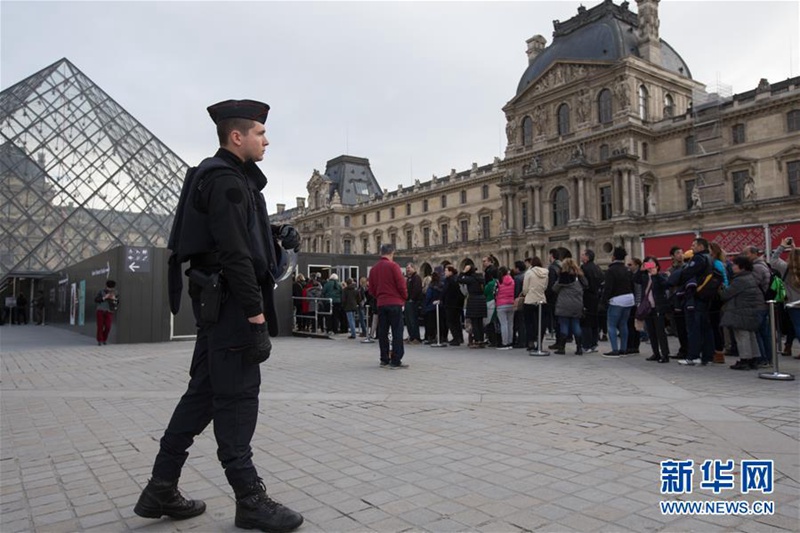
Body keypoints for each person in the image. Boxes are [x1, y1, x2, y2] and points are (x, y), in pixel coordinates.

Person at [135, 99, 304, 532]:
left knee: (202, 399)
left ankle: (160, 487)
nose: (266, 140)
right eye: (260, 133)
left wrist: (273, 233)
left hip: (218, 306)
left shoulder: (221, 179)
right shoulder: (228, 181)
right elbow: (234, 253)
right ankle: (250, 500)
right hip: (232, 309)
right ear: (237, 136)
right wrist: (256, 318)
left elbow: (232, 235)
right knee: (237, 401)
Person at [723, 256, 768, 370]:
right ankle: (754, 358)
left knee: (742, 335)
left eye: (734, 264)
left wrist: (722, 288)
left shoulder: (740, 280)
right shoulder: (750, 276)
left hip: (741, 310)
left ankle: (745, 359)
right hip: (750, 309)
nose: (732, 267)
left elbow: (726, 294)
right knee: (750, 335)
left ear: (741, 267)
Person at [369, 244, 408, 367]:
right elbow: (401, 284)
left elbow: (371, 289)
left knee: (383, 332)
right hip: (395, 302)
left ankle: (384, 358)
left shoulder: (374, 269)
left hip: (381, 303)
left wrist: (379, 296)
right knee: (397, 331)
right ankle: (396, 359)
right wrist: (404, 296)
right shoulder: (393, 266)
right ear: (392, 253)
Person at [678, 238, 715, 366]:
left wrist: (682, 273)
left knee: (694, 327)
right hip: (705, 296)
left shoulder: (698, 258)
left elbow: (687, 273)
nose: (691, 247)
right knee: (705, 328)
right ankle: (708, 356)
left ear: (700, 246)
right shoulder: (709, 258)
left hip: (696, 296)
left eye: (693, 245)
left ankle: (693, 356)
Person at [741, 245, 773, 367]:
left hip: (757, 304)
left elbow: (751, 284)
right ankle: (768, 358)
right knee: (764, 333)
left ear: (754, 254)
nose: (745, 256)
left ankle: (763, 358)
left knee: (758, 332)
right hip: (762, 303)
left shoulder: (756, 268)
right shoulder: (762, 265)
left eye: (746, 253)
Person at [602, 247, 635, 357]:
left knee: (611, 325)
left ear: (614, 257)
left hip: (617, 299)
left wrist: (603, 300)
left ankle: (615, 349)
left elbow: (608, 288)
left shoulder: (611, 270)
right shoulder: (627, 269)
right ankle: (623, 349)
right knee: (623, 323)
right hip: (629, 298)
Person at [770, 237, 800, 359]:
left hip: (793, 302)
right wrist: (794, 248)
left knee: (797, 326)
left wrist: (782, 246)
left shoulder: (786, 268)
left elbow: (773, 260)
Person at [553, 258, 587, 355]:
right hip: (577, 304)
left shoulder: (563, 277)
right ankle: (579, 347)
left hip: (564, 304)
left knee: (564, 325)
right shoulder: (580, 277)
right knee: (576, 324)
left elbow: (555, 288)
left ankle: (562, 348)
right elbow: (586, 285)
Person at [640, 257, 671, 363]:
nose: (649, 266)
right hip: (648, 308)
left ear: (657, 266)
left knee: (660, 332)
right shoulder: (644, 277)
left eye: (651, 264)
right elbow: (634, 279)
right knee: (651, 332)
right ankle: (656, 353)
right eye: (647, 264)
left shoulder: (660, 276)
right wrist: (641, 270)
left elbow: (666, 285)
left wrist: (655, 275)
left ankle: (665, 354)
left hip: (658, 307)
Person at [522, 256, 549, 352]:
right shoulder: (546, 273)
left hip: (530, 300)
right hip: (542, 299)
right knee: (541, 323)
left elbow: (525, 288)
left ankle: (531, 342)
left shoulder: (529, 273)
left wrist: (526, 293)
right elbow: (545, 286)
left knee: (529, 323)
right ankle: (540, 342)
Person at [580, 249, 604, 353]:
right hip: (596, 296)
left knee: (586, 322)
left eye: (583, 255)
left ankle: (586, 344)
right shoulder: (597, 267)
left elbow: (582, 283)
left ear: (587, 257)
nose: (581, 256)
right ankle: (594, 343)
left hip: (586, 296)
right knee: (594, 321)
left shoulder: (584, 268)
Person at [459, 264, 487, 348]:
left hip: (473, 300)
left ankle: (477, 340)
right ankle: (481, 340)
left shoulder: (470, 279)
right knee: (479, 322)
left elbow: (459, 279)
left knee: (475, 322)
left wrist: (463, 272)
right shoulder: (481, 278)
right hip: (482, 300)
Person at [443, 265, 465, 346]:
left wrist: (441, 299)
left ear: (450, 271)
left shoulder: (449, 280)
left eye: (446, 270)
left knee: (451, 321)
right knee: (457, 321)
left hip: (451, 304)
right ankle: (460, 337)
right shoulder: (456, 279)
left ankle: (456, 338)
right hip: (458, 304)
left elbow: (445, 291)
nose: (444, 272)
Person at [495, 266, 516, 349]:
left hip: (501, 305)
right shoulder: (512, 281)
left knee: (504, 324)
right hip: (511, 303)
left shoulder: (498, 281)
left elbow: (495, 293)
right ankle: (510, 342)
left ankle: (505, 342)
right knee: (511, 324)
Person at [422, 271, 445, 344]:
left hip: (431, 307)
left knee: (430, 324)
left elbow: (428, 296)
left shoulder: (431, 286)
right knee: (439, 323)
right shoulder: (442, 285)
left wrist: (425, 306)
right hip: (439, 306)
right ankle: (441, 337)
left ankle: (431, 337)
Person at [404, 263, 423, 344]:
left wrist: (412, 298)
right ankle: (411, 336)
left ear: (413, 268)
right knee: (408, 321)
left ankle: (416, 337)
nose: (407, 269)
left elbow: (416, 289)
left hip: (413, 302)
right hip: (408, 301)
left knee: (413, 321)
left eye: (409, 268)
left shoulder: (416, 278)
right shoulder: (409, 278)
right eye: (407, 268)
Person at [94, 280, 118, 345]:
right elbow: (96, 300)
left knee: (108, 326)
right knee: (100, 326)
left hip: (109, 311)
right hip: (100, 310)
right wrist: (104, 297)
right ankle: (100, 340)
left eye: (112, 288)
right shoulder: (101, 292)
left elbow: (117, 302)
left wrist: (114, 299)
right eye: (109, 288)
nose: (110, 289)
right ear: (106, 286)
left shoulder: (115, 293)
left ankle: (104, 339)